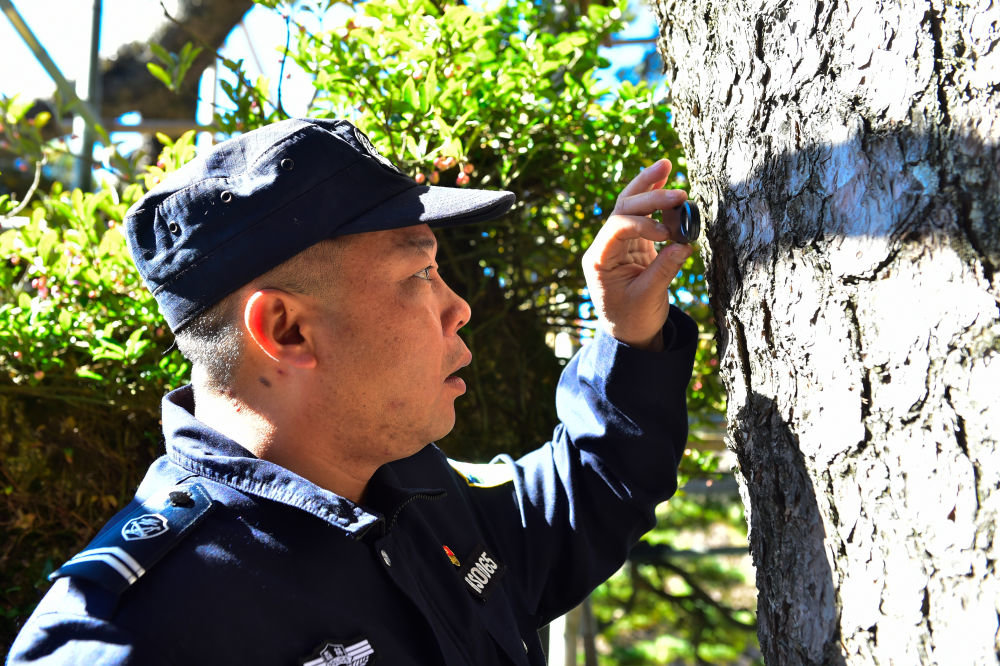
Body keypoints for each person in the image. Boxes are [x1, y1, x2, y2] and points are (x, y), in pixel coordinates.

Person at [7, 117, 697, 665]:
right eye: (419, 274)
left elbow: (590, 491)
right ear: (287, 329)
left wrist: (627, 335)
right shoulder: (129, 632)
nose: (459, 308)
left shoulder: (412, 495)